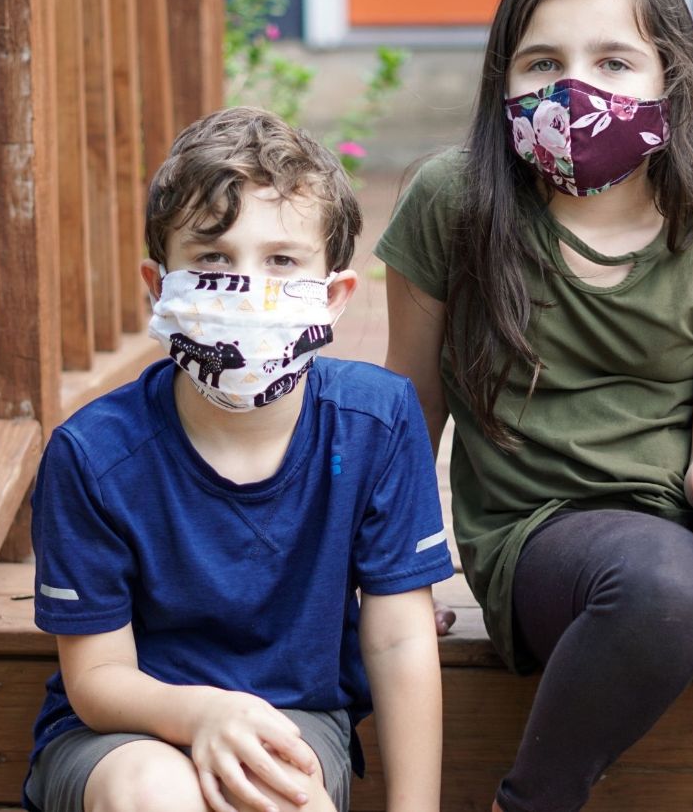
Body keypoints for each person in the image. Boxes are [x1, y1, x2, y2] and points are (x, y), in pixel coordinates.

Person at [376, 0, 693, 812]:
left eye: (614, 61)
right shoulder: (454, 202)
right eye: (541, 62)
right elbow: (408, 403)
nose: (572, 87)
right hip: (549, 539)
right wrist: (385, 576)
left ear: (675, 80)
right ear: (501, 82)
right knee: (668, 584)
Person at [24, 106, 454, 812]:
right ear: (159, 287)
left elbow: (402, 641)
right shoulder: (92, 455)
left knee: (273, 794)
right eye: (213, 259)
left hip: (295, 720)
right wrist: (205, 716)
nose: (246, 288)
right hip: (124, 734)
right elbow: (97, 676)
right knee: (156, 795)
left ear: (335, 295)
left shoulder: (378, 422)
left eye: (281, 261)